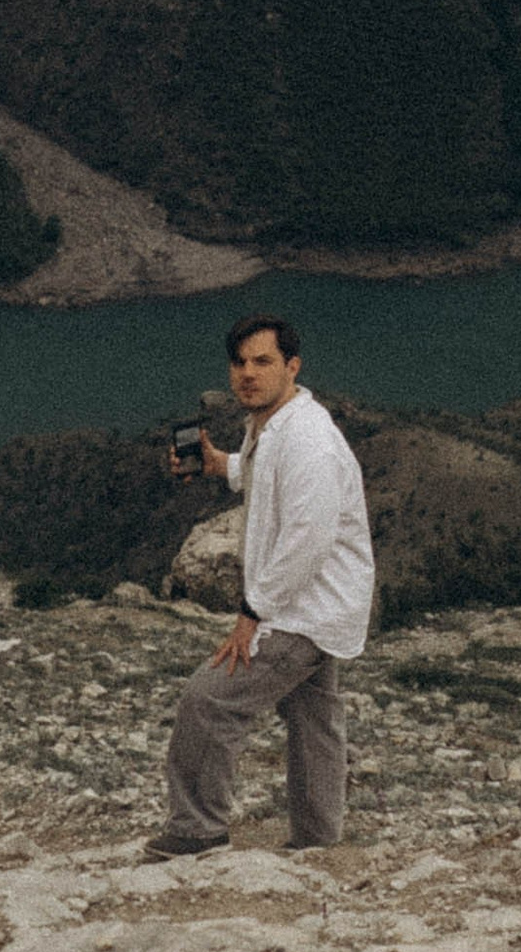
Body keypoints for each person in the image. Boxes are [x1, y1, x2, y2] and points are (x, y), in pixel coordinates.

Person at [142, 314, 374, 859]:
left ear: (292, 367)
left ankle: (198, 831)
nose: (248, 373)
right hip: (327, 607)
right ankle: (318, 841)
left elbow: (307, 538)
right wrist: (219, 464)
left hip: (302, 611)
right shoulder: (273, 427)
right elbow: (265, 478)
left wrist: (253, 613)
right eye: (240, 363)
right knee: (313, 716)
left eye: (263, 362)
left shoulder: (308, 439)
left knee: (209, 701)